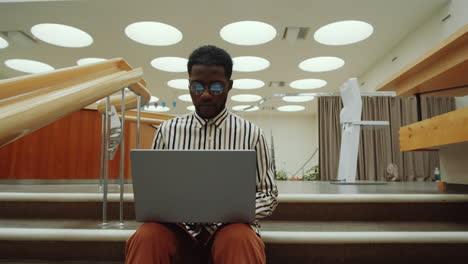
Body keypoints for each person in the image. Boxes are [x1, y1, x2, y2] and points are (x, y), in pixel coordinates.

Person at [125, 45, 278, 264]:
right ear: (189, 85)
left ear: (229, 86)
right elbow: (155, 192)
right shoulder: (167, 131)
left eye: (215, 87)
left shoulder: (251, 133)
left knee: (240, 239)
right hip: (178, 229)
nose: (205, 94)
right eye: (197, 86)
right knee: (147, 236)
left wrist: (235, 211)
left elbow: (268, 195)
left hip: (229, 229)